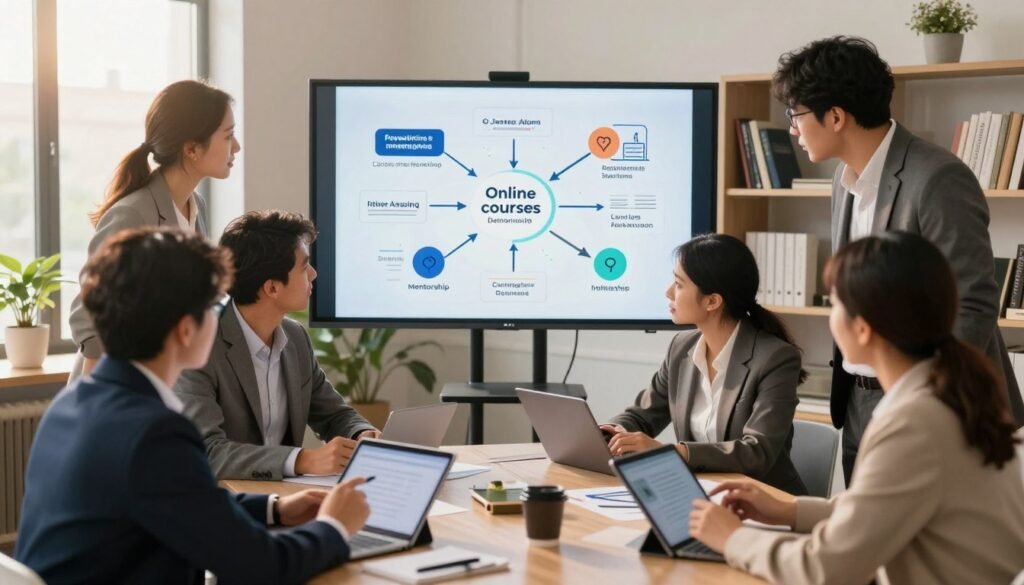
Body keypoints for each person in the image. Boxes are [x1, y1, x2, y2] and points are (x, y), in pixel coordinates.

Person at [16, 227, 371, 585]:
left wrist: (274, 508)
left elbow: (183, 500)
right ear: (187, 330)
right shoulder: (154, 433)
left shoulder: (73, 402)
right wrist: (334, 526)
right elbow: (263, 565)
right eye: (212, 307)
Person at [690, 231, 1024, 585]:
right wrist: (789, 510)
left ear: (863, 328)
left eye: (835, 306)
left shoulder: (915, 422)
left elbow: (826, 568)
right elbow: (881, 508)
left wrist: (732, 539)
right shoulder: (946, 393)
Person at [772, 35, 1024, 482]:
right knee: (867, 543)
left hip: (937, 403)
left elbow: (975, 303)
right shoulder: (841, 182)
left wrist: (922, 401)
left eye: (796, 115)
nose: (792, 129)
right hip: (858, 400)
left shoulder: (938, 177)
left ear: (835, 117)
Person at [174, 210, 379, 480]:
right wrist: (302, 460)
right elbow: (208, 452)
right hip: (224, 503)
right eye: (304, 267)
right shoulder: (199, 347)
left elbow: (333, 414)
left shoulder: (295, 338)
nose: (314, 274)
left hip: (285, 499)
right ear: (271, 288)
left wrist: (360, 433)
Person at [600, 234, 807, 494]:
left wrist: (673, 453)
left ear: (712, 301)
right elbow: (642, 416)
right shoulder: (681, 348)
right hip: (699, 495)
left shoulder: (775, 358)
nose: (668, 292)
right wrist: (607, 433)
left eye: (678, 284)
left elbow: (757, 452)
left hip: (764, 502)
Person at [68, 79, 241, 380]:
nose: (236, 146)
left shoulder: (194, 205)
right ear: (191, 149)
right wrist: (99, 394)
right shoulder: (131, 214)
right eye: (228, 136)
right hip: (115, 388)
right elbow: (86, 313)